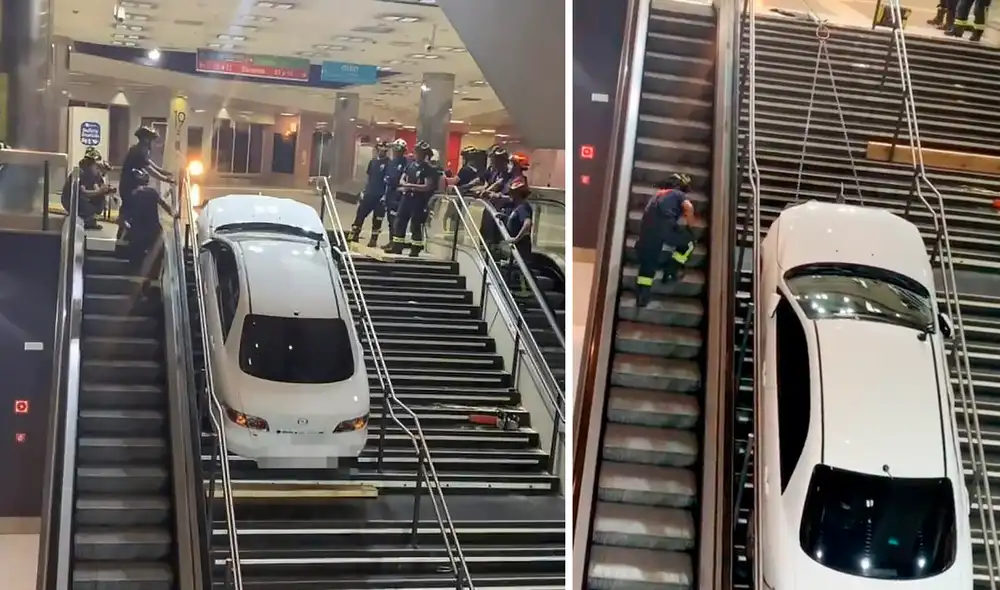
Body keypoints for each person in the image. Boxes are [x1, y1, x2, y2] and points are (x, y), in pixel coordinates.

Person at [634, 173, 698, 308]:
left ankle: (642, 296)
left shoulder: (657, 195)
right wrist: (690, 224)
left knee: (648, 263)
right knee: (689, 243)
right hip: (666, 229)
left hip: (647, 231)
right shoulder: (678, 194)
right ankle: (670, 271)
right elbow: (689, 207)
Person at [121, 168, 179, 298]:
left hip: (137, 233)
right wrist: (174, 213)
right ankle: (153, 282)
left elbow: (124, 217)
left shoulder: (131, 195)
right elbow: (164, 205)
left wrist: (127, 229)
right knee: (158, 256)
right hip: (153, 231)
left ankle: (136, 286)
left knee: (136, 260)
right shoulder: (152, 193)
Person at [118, 126, 175, 238]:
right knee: (152, 196)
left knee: (128, 210)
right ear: (145, 139)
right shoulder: (138, 151)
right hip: (129, 186)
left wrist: (164, 172)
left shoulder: (142, 150)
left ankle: (124, 234)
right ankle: (171, 212)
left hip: (133, 184)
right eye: (151, 139)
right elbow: (149, 168)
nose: (152, 142)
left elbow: (151, 164)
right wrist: (165, 179)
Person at [385, 141, 439, 257]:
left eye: (420, 153)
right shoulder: (410, 165)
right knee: (400, 221)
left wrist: (411, 186)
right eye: (417, 152)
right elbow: (402, 179)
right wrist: (405, 184)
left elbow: (427, 186)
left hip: (419, 200)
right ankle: (397, 245)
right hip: (407, 197)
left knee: (415, 224)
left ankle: (415, 248)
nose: (417, 155)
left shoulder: (429, 169)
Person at [348, 139, 390, 246]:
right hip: (369, 193)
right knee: (360, 214)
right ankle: (355, 235)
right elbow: (369, 177)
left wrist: (385, 196)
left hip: (380, 195)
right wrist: (364, 190)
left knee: (377, 219)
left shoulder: (389, 164)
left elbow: (389, 181)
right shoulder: (373, 162)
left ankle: (373, 239)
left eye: (384, 151)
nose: (382, 152)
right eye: (380, 150)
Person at [62, 147, 117, 230]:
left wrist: (105, 191)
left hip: (81, 198)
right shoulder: (81, 172)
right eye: (95, 165)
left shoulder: (94, 175)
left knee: (99, 199)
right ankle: (85, 219)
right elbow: (84, 192)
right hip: (71, 199)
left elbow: (96, 188)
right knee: (83, 200)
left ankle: (90, 220)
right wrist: (99, 191)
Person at [498, 177, 535, 296]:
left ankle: (522, 293)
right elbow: (515, 220)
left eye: (512, 192)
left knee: (520, 271)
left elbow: (527, 223)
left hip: (521, 248)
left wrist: (517, 238)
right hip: (516, 249)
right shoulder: (517, 207)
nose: (510, 194)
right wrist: (503, 216)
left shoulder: (523, 207)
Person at [382, 138, 409, 241]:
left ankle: (396, 242)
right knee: (390, 219)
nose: (396, 151)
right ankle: (391, 241)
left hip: (399, 194)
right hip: (390, 193)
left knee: (397, 220)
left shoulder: (406, 162)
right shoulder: (391, 162)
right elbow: (387, 178)